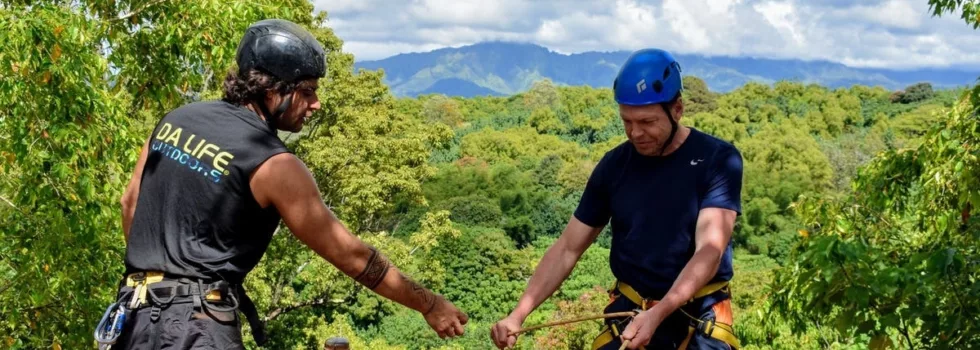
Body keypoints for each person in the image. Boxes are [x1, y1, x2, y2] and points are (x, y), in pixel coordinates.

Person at [106, 18, 467, 349]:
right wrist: (430, 304)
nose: (316, 104)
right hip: (196, 327)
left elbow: (129, 204)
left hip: (132, 316)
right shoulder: (273, 163)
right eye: (307, 91)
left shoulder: (175, 121)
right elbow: (351, 256)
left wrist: (157, 281)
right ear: (271, 90)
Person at [490, 48, 743, 350]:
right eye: (627, 121)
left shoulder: (717, 160)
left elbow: (709, 251)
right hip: (630, 312)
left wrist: (659, 312)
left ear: (677, 110)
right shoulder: (615, 165)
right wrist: (517, 315)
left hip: (696, 315)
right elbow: (567, 248)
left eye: (647, 122)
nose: (635, 133)